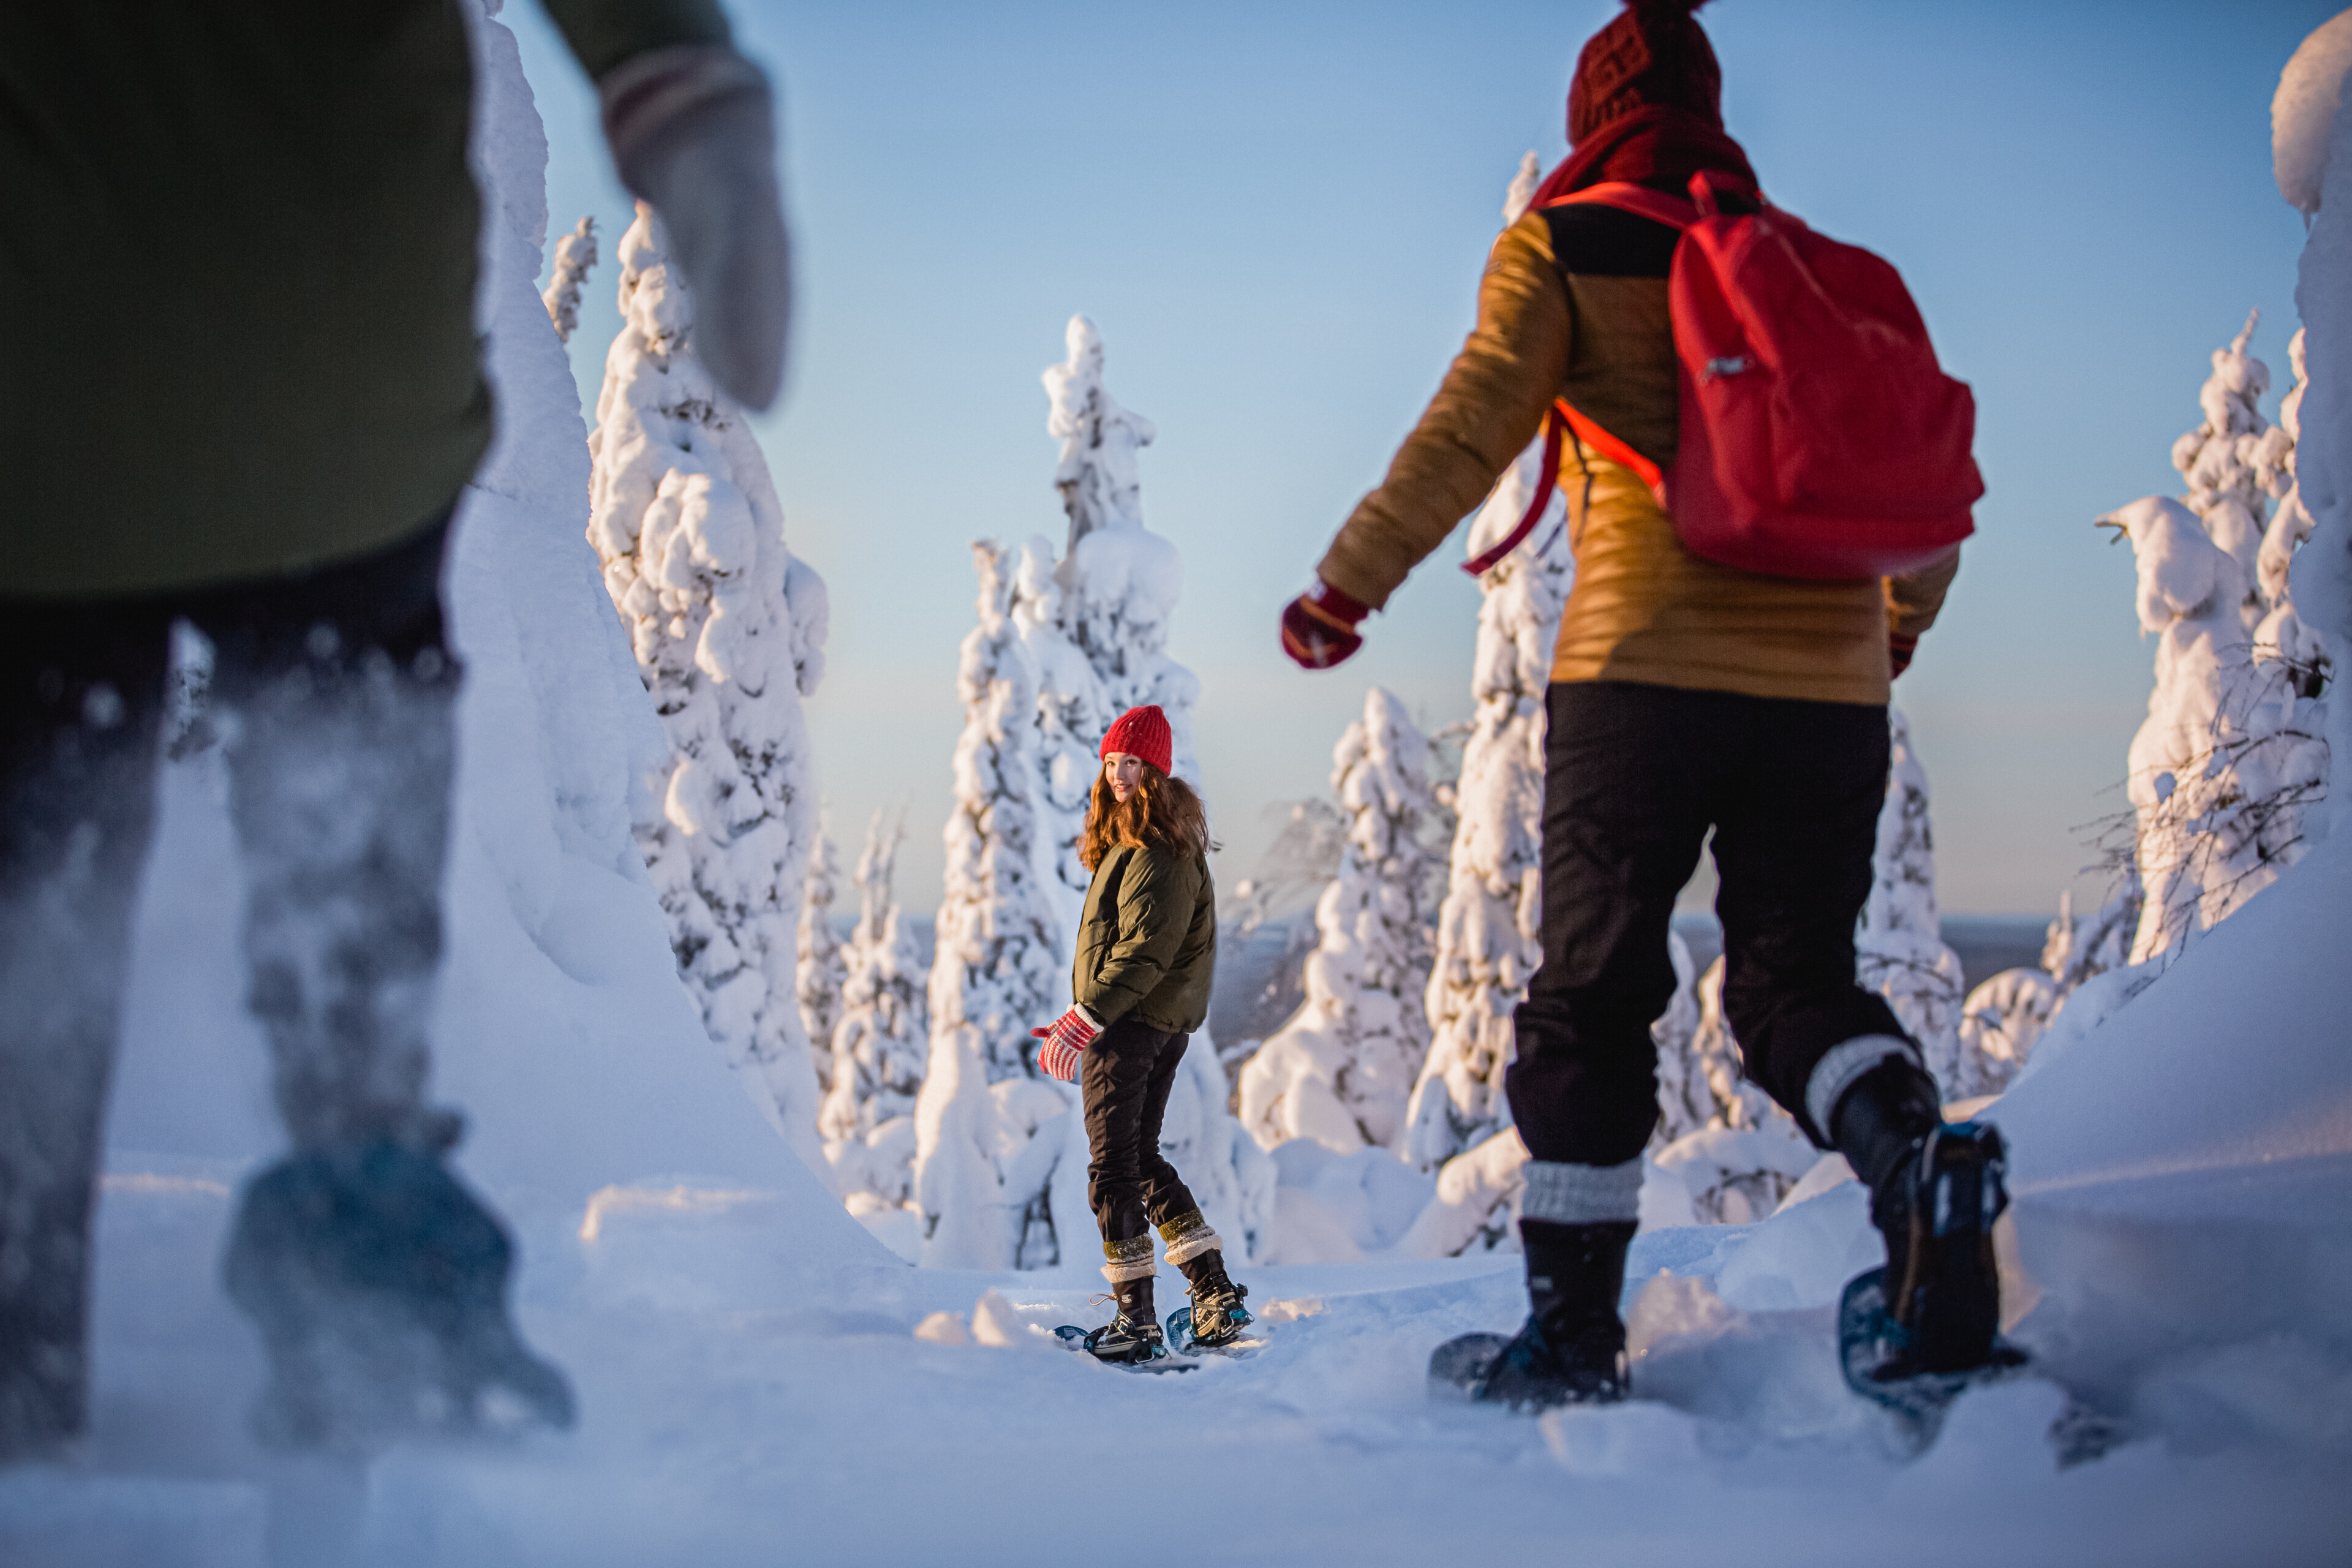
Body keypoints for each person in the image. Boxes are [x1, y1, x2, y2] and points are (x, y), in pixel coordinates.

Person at [0, 0, 790, 1459]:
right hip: (337, 387)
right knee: (343, 869)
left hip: (45, 406)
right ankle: (361, 1283)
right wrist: (677, 82)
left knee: (32, 884)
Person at [1281, 0, 2003, 1409]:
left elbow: (1468, 421)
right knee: (1800, 983)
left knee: (1588, 1003)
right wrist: (1889, 633)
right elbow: (1922, 499)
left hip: (1641, 680)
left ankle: (1569, 1338)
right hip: (1827, 699)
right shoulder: (1804, 265)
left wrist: (1345, 584)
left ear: (1587, 115)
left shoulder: (1565, 244)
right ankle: (1915, 1166)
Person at [1030, 706, 1248, 1363]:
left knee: (1113, 1170)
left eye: (1131, 762)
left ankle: (1137, 1320)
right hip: (1146, 1022)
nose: (1118, 774)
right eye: (1110, 761)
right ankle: (1212, 1291)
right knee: (1142, 1161)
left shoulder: (1156, 846)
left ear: (1156, 769)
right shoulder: (1145, 838)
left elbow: (1146, 950)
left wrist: (1086, 1016)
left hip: (1131, 1025)